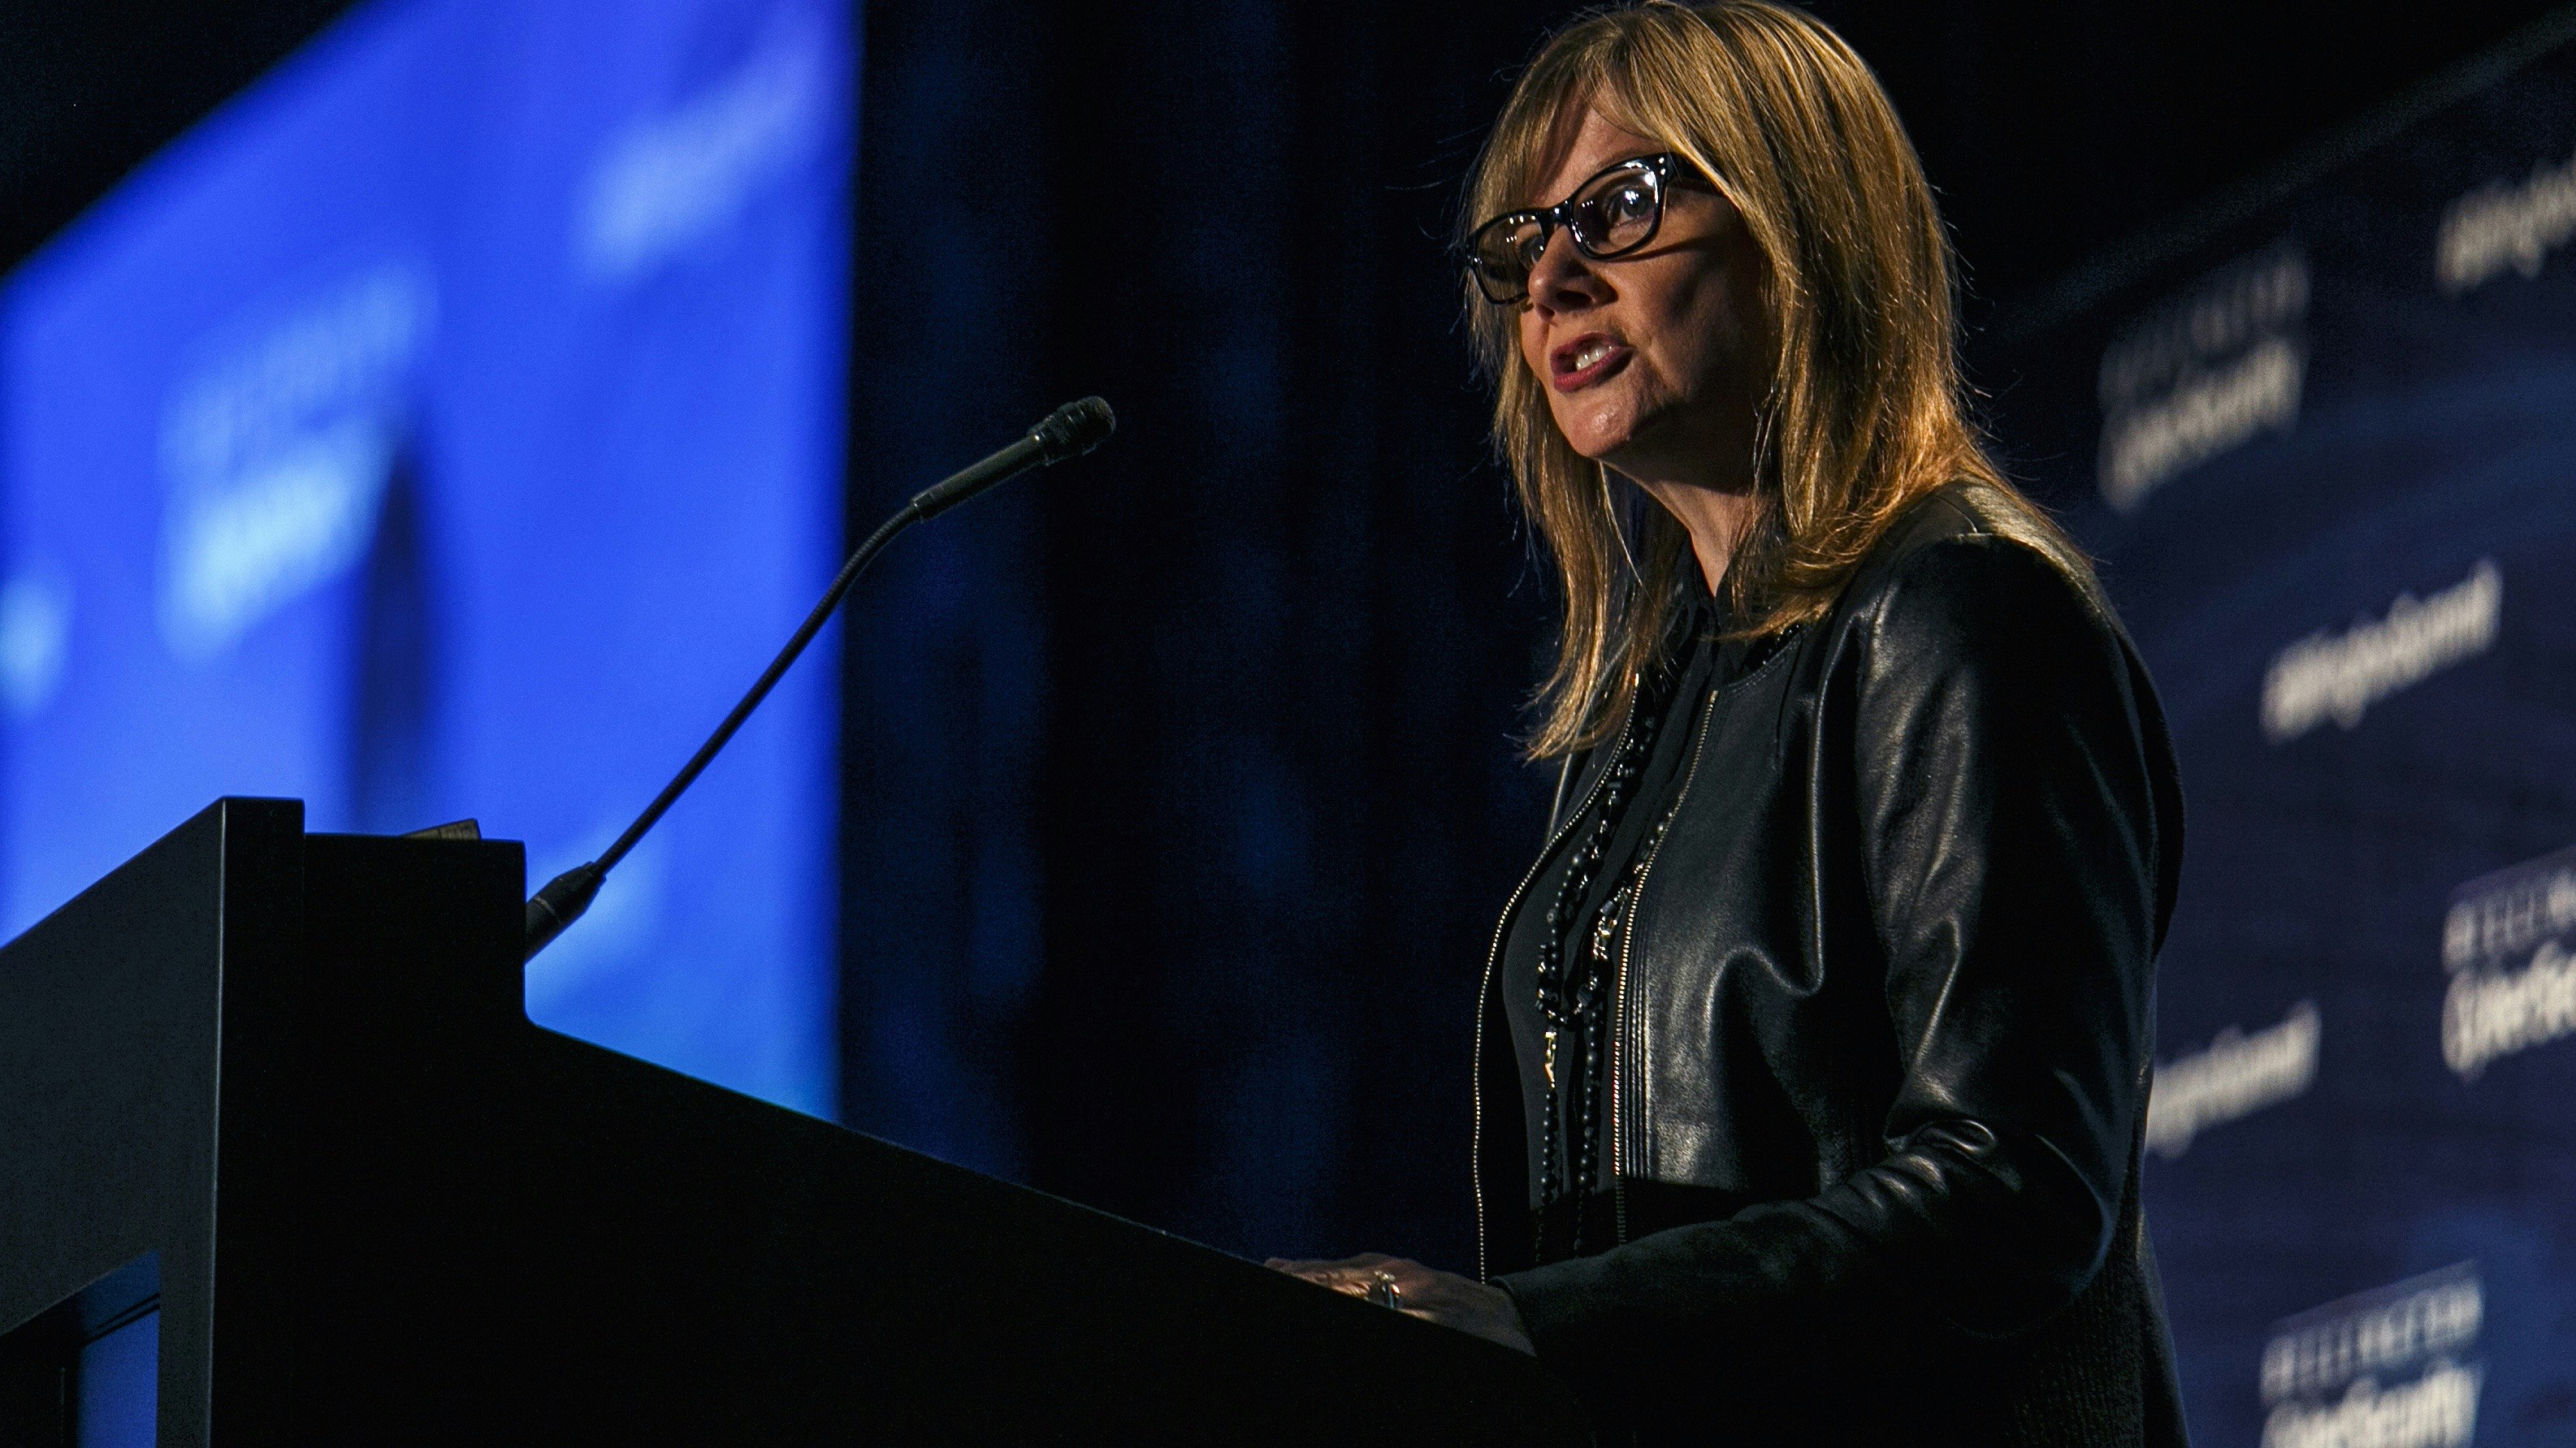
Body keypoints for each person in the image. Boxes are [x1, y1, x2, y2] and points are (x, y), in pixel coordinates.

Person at [1267, 3, 2189, 1442]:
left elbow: (2009, 1187)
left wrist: (1541, 1325)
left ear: (1797, 220)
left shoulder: (1959, 615)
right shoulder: (1639, 729)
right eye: (1521, 246)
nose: (1554, 275)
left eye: (1619, 208)